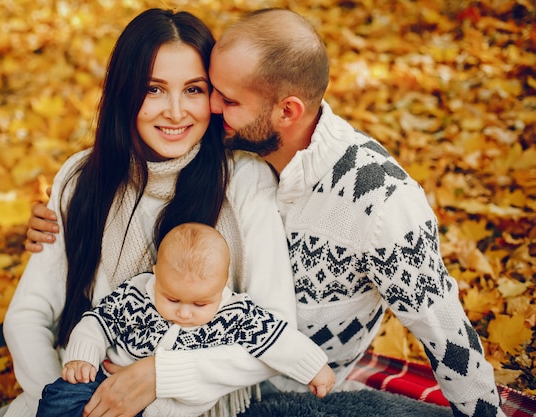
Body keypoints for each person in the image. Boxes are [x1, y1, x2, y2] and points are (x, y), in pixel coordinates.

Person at [26, 8, 506, 417]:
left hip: (293, 393)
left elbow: (447, 335)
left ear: (288, 112)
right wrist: (59, 222)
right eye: (207, 89)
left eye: (223, 98)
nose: (206, 108)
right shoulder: (243, 154)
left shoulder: (379, 202)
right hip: (168, 355)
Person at [2, 8, 299, 417]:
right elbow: (30, 314)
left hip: (196, 406)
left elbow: (275, 329)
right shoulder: (81, 177)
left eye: (194, 90)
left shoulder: (244, 182)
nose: (175, 112)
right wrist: (55, 400)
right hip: (77, 395)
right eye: (154, 89)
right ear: (125, 91)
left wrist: (161, 375)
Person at [37, 222, 335, 417]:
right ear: (156, 274)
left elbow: (277, 338)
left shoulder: (235, 314)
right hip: (105, 379)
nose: (184, 312)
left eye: (200, 303)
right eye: (172, 298)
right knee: (60, 398)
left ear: (223, 286)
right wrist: (82, 358)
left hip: (169, 406)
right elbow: (98, 322)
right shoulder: (138, 294)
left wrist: (314, 367)